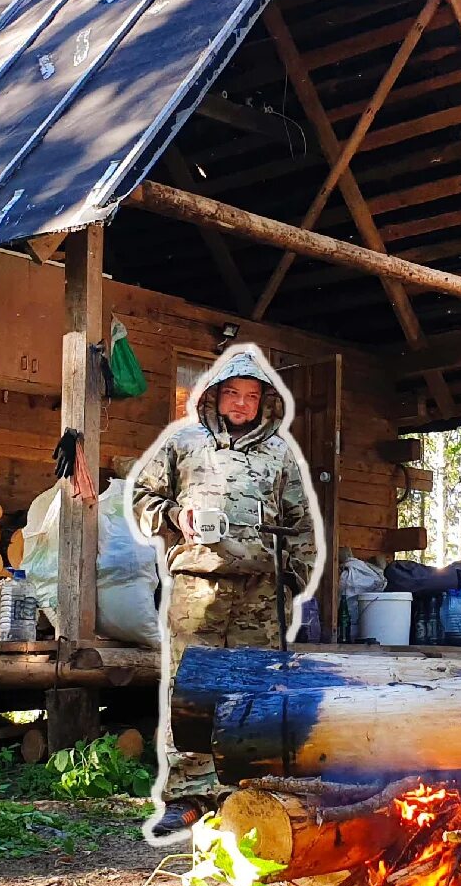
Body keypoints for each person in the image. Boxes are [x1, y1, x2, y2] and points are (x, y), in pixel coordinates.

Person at [128, 346, 321, 835]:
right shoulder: (184, 443)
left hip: (261, 592)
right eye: (232, 393)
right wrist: (175, 516)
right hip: (197, 588)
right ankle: (189, 795)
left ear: (264, 403)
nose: (241, 403)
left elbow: (300, 524)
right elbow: (141, 498)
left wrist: (295, 579)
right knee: (192, 692)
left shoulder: (280, 453)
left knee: (257, 690)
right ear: (215, 396)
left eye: (251, 396)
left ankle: (249, 790)